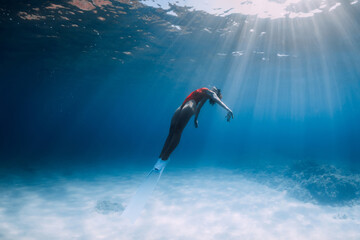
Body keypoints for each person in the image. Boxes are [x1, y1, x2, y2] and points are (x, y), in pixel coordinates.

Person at [154, 87, 233, 170]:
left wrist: (228, 110)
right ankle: (160, 157)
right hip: (183, 105)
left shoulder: (211, 93)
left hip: (190, 105)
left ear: (216, 92)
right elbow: (199, 108)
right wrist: (195, 119)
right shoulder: (206, 95)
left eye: (215, 89)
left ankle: (164, 159)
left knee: (177, 131)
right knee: (171, 131)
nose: (213, 88)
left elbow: (217, 100)